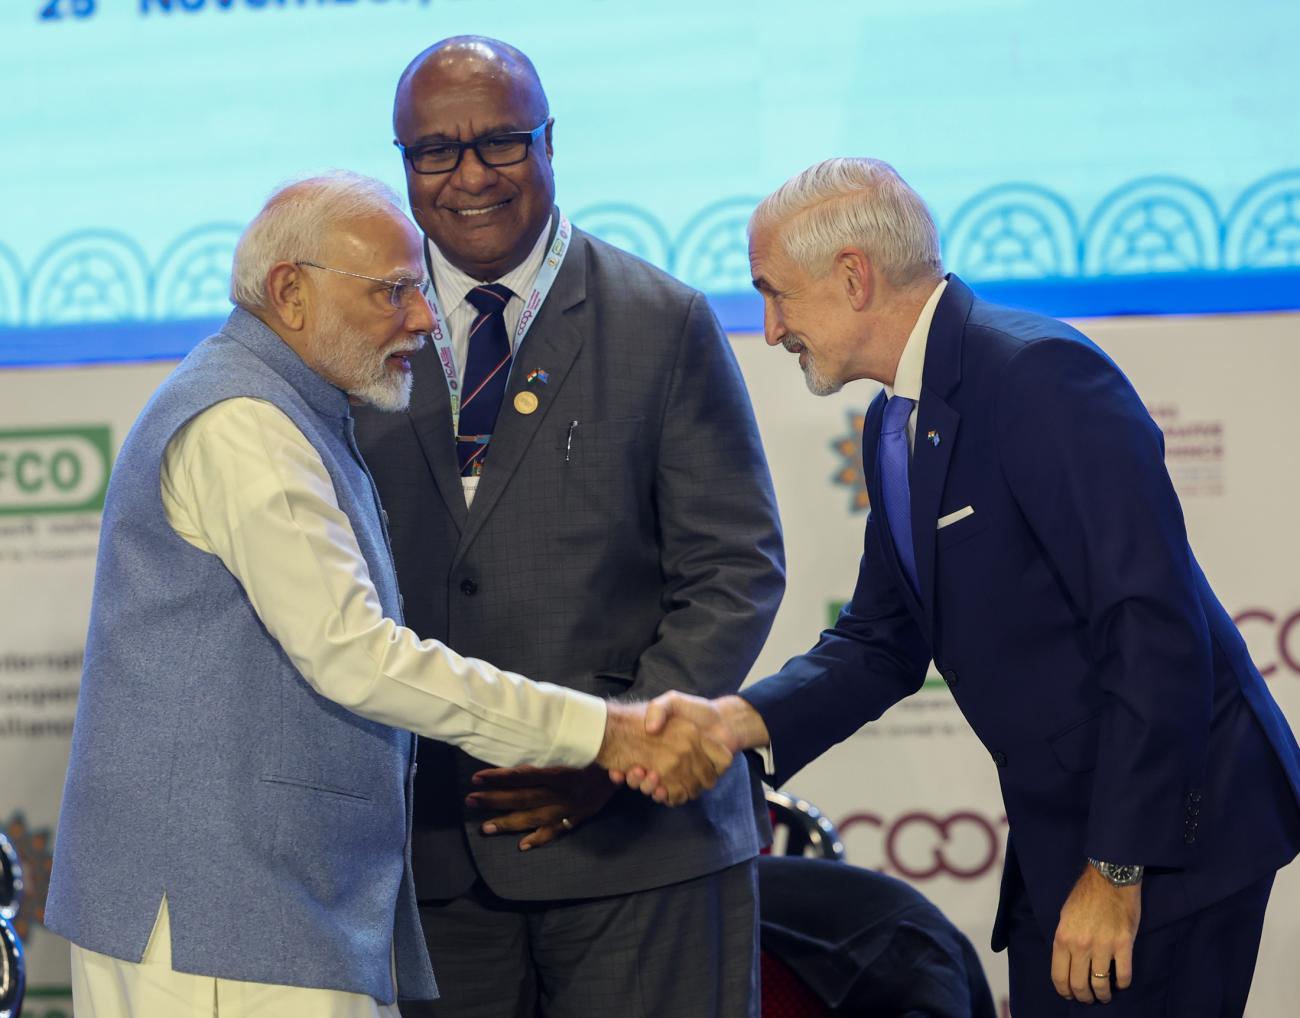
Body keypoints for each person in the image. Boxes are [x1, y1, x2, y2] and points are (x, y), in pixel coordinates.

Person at [44, 172, 730, 1018]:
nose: (423, 315)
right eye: (394, 291)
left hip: (258, 909)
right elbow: (355, 656)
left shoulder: (291, 408)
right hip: (219, 921)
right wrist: (602, 729)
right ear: (290, 293)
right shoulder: (244, 426)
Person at [632, 157, 1300, 1016]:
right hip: (1069, 840)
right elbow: (880, 639)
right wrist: (736, 724)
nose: (769, 329)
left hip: (1168, 840)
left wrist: (1119, 870)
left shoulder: (1039, 378)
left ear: (853, 276)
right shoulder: (893, 419)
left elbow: (1155, 629)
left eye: (776, 294)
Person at [353, 36, 785, 1018]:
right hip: (423, 863)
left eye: (499, 143)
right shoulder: (351, 329)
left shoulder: (660, 319)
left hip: (640, 852)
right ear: (402, 161)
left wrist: (615, 752)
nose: (468, 176)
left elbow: (734, 570)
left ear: (550, 143)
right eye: (434, 152)